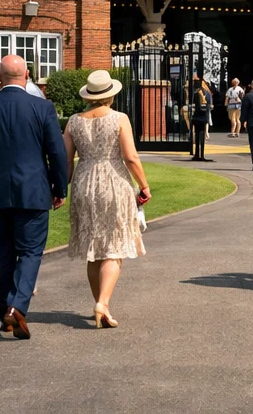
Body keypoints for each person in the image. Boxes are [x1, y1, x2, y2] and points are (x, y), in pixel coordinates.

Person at [0, 55, 67, 339]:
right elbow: (56, 152)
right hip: (33, 190)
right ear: (28, 75)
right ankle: (16, 306)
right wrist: (60, 188)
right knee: (31, 251)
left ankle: (6, 309)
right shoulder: (42, 107)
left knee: (2, 254)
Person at [62, 70, 150, 329]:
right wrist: (144, 185)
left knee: (93, 249)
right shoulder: (119, 118)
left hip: (84, 180)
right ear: (110, 96)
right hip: (113, 181)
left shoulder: (74, 121)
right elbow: (130, 157)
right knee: (113, 245)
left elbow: (66, 159)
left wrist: (63, 186)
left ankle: (102, 304)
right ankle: (102, 302)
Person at [187, 76, 214, 161]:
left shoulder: (197, 92)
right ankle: (201, 154)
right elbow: (210, 104)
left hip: (198, 115)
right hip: (204, 114)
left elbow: (194, 104)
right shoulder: (208, 92)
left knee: (197, 134)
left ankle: (197, 154)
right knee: (201, 136)